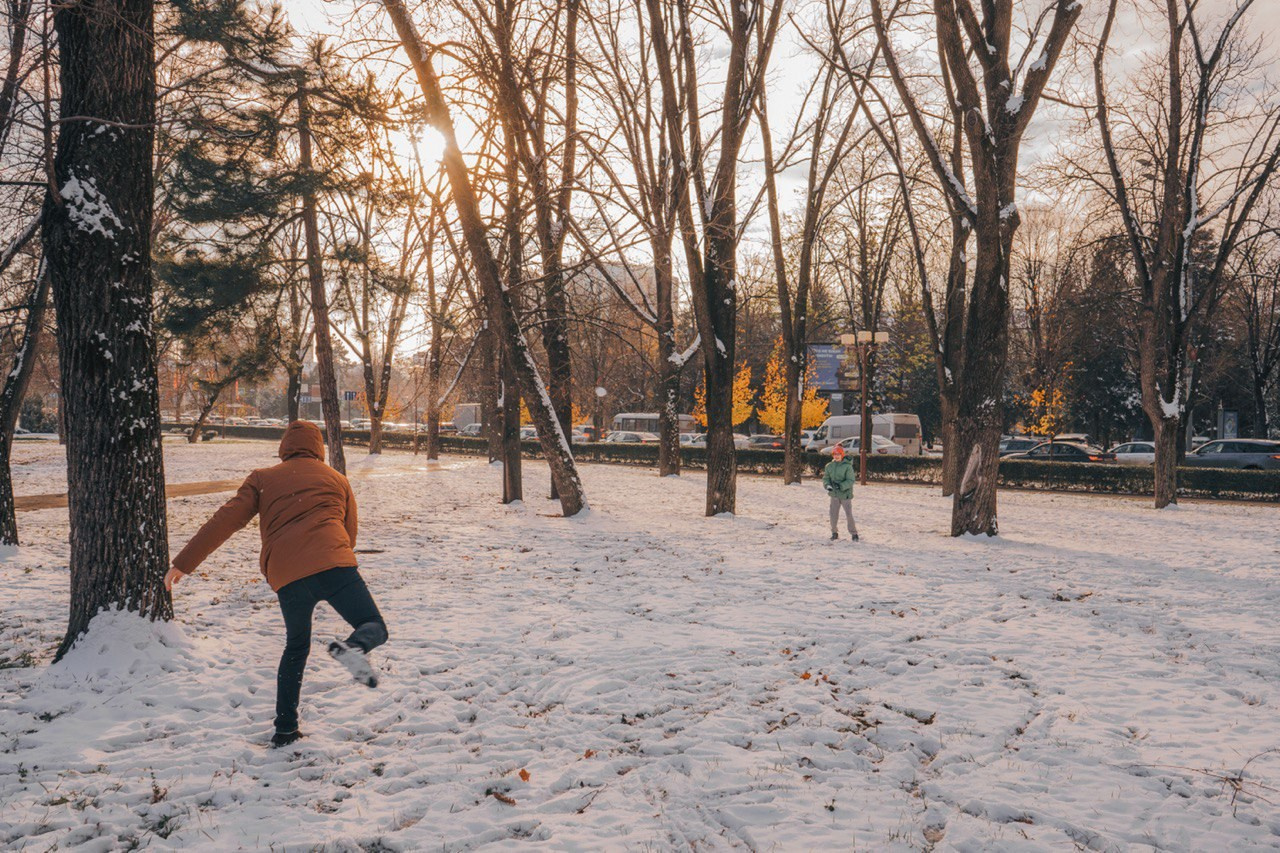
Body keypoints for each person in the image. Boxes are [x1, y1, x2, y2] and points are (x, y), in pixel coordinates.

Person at [166, 420, 388, 748]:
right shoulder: (337, 479)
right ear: (319, 448)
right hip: (334, 566)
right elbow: (349, 533)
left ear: (284, 446)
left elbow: (224, 520)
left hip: (288, 575)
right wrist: (330, 557)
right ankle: (354, 648)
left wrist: (183, 564)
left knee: (296, 647)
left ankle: (285, 729)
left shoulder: (262, 479)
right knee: (373, 625)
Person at [822, 444, 859, 541]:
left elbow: (851, 480)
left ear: (842, 454)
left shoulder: (847, 466)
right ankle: (834, 532)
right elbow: (826, 478)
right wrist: (827, 485)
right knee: (833, 514)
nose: (836, 456)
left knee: (848, 514)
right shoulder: (829, 466)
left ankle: (854, 533)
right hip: (834, 494)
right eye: (834, 454)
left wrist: (841, 486)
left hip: (845, 494)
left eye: (838, 454)